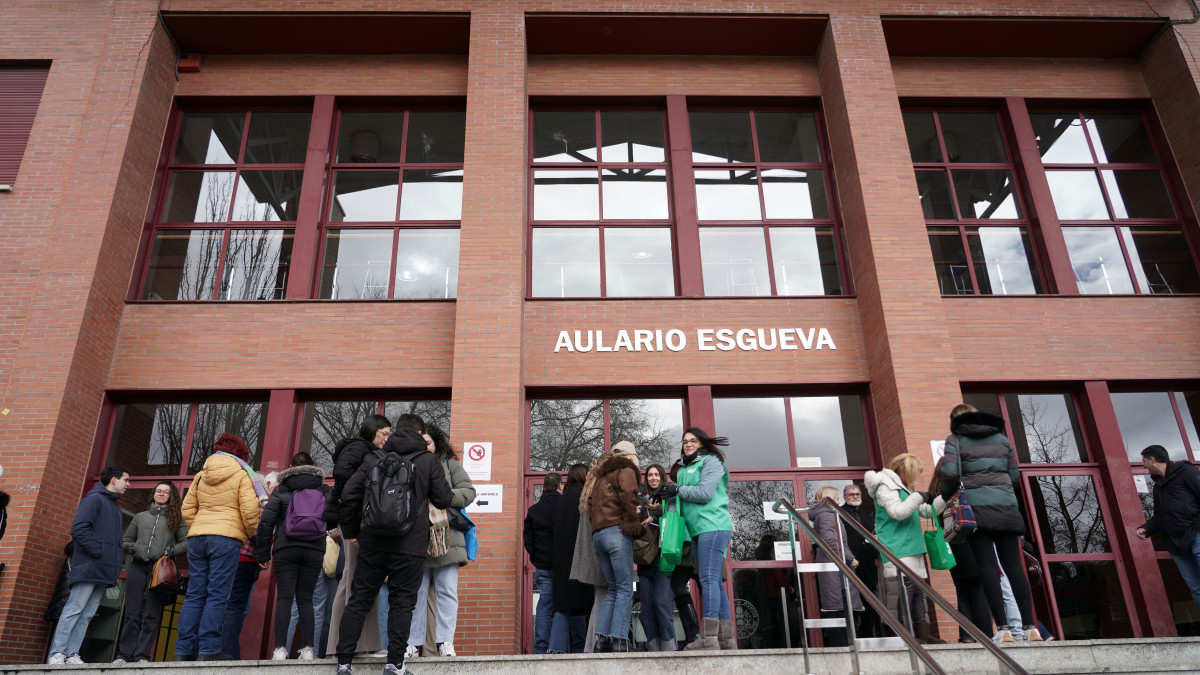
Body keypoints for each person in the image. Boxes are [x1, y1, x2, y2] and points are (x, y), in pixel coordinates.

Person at [334, 427, 454, 675]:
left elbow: (349, 493)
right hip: (410, 546)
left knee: (358, 601)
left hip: (373, 544)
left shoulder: (373, 458)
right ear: (420, 440)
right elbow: (443, 499)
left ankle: (344, 663)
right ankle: (394, 664)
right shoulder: (427, 460)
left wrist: (352, 531)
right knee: (402, 604)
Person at [939, 404, 1041, 642]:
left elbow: (951, 474)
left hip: (977, 512)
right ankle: (1030, 627)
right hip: (1007, 509)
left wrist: (946, 495)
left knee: (987, 568)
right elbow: (1014, 475)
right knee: (1014, 568)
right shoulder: (1002, 439)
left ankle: (1003, 630)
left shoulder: (955, 440)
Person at [175, 434, 262, 661]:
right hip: (226, 539)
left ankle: (182, 651)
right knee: (217, 595)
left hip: (197, 538)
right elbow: (251, 512)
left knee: (194, 595)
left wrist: (200, 526)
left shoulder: (201, 475)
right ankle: (208, 650)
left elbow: (187, 509)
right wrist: (246, 532)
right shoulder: (242, 475)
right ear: (241, 454)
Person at [654, 428, 735, 651]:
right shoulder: (683, 468)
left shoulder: (711, 462)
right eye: (685, 441)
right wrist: (660, 502)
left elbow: (705, 493)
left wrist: (677, 489)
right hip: (697, 530)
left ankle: (709, 638)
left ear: (702, 443)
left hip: (714, 526)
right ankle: (727, 640)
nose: (688, 444)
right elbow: (679, 501)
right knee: (715, 583)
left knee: (708, 580)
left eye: (693, 441)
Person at [404, 424, 476, 659]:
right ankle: (413, 644)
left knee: (447, 593)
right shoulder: (408, 464)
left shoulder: (450, 465)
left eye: (428, 442)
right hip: (417, 537)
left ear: (437, 443)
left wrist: (442, 496)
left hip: (448, 538)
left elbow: (468, 492)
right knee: (416, 593)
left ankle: (445, 642)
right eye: (421, 443)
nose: (425, 447)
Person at [46, 466, 130, 665]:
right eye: (126, 480)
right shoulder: (94, 499)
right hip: (91, 566)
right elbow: (79, 528)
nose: (128, 484)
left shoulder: (116, 509)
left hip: (105, 570)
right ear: (114, 480)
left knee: (87, 614)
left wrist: (115, 561)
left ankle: (71, 653)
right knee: (74, 608)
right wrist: (99, 552)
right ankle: (57, 653)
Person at [326, 414, 391, 656]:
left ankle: (342, 644)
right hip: (355, 521)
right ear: (373, 430)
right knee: (358, 580)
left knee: (350, 582)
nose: (387, 438)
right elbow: (342, 473)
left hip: (352, 519)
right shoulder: (358, 447)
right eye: (384, 433)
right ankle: (358, 645)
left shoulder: (360, 448)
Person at [257, 452, 330, 660]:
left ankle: (280, 649)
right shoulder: (324, 489)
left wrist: (262, 552)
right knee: (306, 599)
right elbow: (333, 518)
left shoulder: (281, 489)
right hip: (314, 549)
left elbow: (266, 522)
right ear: (313, 466)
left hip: (285, 548)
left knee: (285, 598)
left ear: (290, 466)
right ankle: (308, 649)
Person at [864, 453, 942, 644]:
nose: (915, 478)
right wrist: (917, 496)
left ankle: (923, 634)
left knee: (917, 593)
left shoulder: (903, 488)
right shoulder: (885, 486)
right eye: (914, 473)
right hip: (896, 547)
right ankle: (904, 635)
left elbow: (926, 512)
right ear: (904, 470)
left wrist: (943, 497)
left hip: (912, 546)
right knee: (902, 593)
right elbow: (898, 513)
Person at [113, 481, 188, 663]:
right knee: (132, 613)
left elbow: (186, 542)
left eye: (166, 492)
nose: (161, 494)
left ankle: (141, 656)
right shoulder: (140, 517)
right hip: (137, 567)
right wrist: (134, 547)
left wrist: (169, 551)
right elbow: (125, 540)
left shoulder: (176, 518)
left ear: (171, 496)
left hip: (159, 570)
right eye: (158, 491)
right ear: (153, 494)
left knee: (151, 614)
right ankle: (123, 655)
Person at [586, 441, 643, 653]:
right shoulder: (627, 470)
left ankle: (601, 640)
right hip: (616, 533)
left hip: (598, 536)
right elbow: (628, 495)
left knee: (613, 588)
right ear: (631, 456)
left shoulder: (600, 476)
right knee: (626, 588)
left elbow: (591, 504)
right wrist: (631, 520)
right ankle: (619, 639)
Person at [926, 459, 990, 642]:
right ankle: (984, 635)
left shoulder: (934, 494)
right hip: (970, 543)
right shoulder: (959, 491)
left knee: (962, 591)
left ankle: (966, 635)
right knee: (979, 592)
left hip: (952, 547)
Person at [220, 471, 277, 660]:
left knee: (226, 604)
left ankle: (211, 650)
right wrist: (270, 537)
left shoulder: (233, 503)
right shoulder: (256, 504)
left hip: (228, 558)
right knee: (235, 607)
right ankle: (228, 653)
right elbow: (256, 532)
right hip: (245, 559)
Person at [1137, 444, 1200, 613]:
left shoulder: (1186, 472)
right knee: (1195, 588)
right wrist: (1146, 529)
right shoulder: (1158, 486)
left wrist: (1196, 527)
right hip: (1176, 544)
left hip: (1197, 537)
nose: (1143, 465)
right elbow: (1160, 515)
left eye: (1144, 461)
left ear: (1153, 459)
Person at [811, 486, 862, 647]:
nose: (840, 501)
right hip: (835, 568)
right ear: (829, 499)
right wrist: (850, 558)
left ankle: (844, 646)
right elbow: (830, 541)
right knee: (840, 610)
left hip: (835, 568)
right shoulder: (827, 515)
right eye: (837, 498)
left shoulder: (826, 515)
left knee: (840, 609)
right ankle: (843, 650)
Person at [549, 464, 592, 653]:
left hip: (562, 561)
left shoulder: (560, 501)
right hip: (584, 559)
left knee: (563, 607)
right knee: (591, 606)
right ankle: (588, 649)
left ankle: (555, 649)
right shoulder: (588, 499)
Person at [635, 463, 677, 651]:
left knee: (661, 602)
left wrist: (655, 515)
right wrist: (635, 515)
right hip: (645, 558)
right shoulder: (640, 499)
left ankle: (669, 645)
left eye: (656, 475)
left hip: (663, 556)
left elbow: (674, 518)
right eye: (650, 475)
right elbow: (634, 530)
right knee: (646, 609)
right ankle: (653, 646)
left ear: (662, 477)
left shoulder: (669, 496)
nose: (653, 478)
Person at [524, 472, 563, 654]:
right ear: (560, 486)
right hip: (563, 566)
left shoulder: (533, 511)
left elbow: (528, 540)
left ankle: (541, 647)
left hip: (543, 565)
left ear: (544, 487)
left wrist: (536, 558)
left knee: (544, 605)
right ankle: (561, 647)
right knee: (565, 604)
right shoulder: (566, 507)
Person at [841, 483, 880, 639]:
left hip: (868, 566)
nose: (855, 496)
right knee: (852, 602)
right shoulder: (839, 513)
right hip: (850, 565)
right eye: (851, 494)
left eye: (857, 494)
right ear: (845, 497)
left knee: (869, 602)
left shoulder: (866, 516)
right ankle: (852, 637)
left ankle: (867, 635)